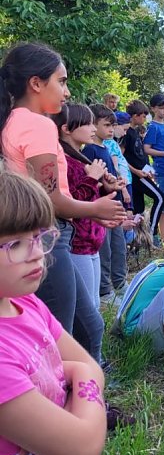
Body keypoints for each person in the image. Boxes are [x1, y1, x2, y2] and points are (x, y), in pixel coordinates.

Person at [0, 171, 141, 455]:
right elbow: (84, 448)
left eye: (40, 236)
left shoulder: (26, 305)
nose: (37, 253)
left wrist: (82, 378)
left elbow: (88, 367)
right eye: (14, 244)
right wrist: (83, 385)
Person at [0, 42, 126, 362]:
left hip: (48, 235)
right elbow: (49, 199)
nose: (67, 92)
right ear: (36, 83)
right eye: (62, 81)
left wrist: (91, 213)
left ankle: (92, 390)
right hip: (46, 237)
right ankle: (74, 403)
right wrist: (94, 209)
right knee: (60, 339)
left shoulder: (15, 120)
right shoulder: (37, 123)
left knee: (91, 326)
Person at [54, 104, 108, 310]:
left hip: (92, 242)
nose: (94, 129)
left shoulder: (81, 160)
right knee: (87, 307)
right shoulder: (66, 163)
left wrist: (106, 186)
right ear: (67, 129)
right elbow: (72, 202)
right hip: (78, 244)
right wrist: (92, 178)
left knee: (94, 304)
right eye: (88, 124)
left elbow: (92, 197)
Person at [83, 105, 129, 302]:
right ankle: (104, 291)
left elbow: (107, 179)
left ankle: (120, 284)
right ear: (94, 125)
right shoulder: (91, 150)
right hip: (102, 209)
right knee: (105, 250)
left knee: (119, 247)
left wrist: (117, 184)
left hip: (115, 206)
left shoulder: (106, 148)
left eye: (113, 126)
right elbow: (93, 180)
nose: (111, 129)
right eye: (107, 125)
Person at [122, 99, 164, 241]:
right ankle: (152, 234)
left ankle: (138, 239)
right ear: (135, 116)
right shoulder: (126, 133)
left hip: (143, 173)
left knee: (138, 209)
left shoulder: (135, 132)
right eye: (143, 115)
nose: (145, 118)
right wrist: (136, 172)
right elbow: (121, 159)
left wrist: (149, 169)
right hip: (137, 176)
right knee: (160, 198)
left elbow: (139, 155)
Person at [144, 92, 164, 245]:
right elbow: (147, 149)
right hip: (162, 171)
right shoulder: (153, 128)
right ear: (153, 109)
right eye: (162, 108)